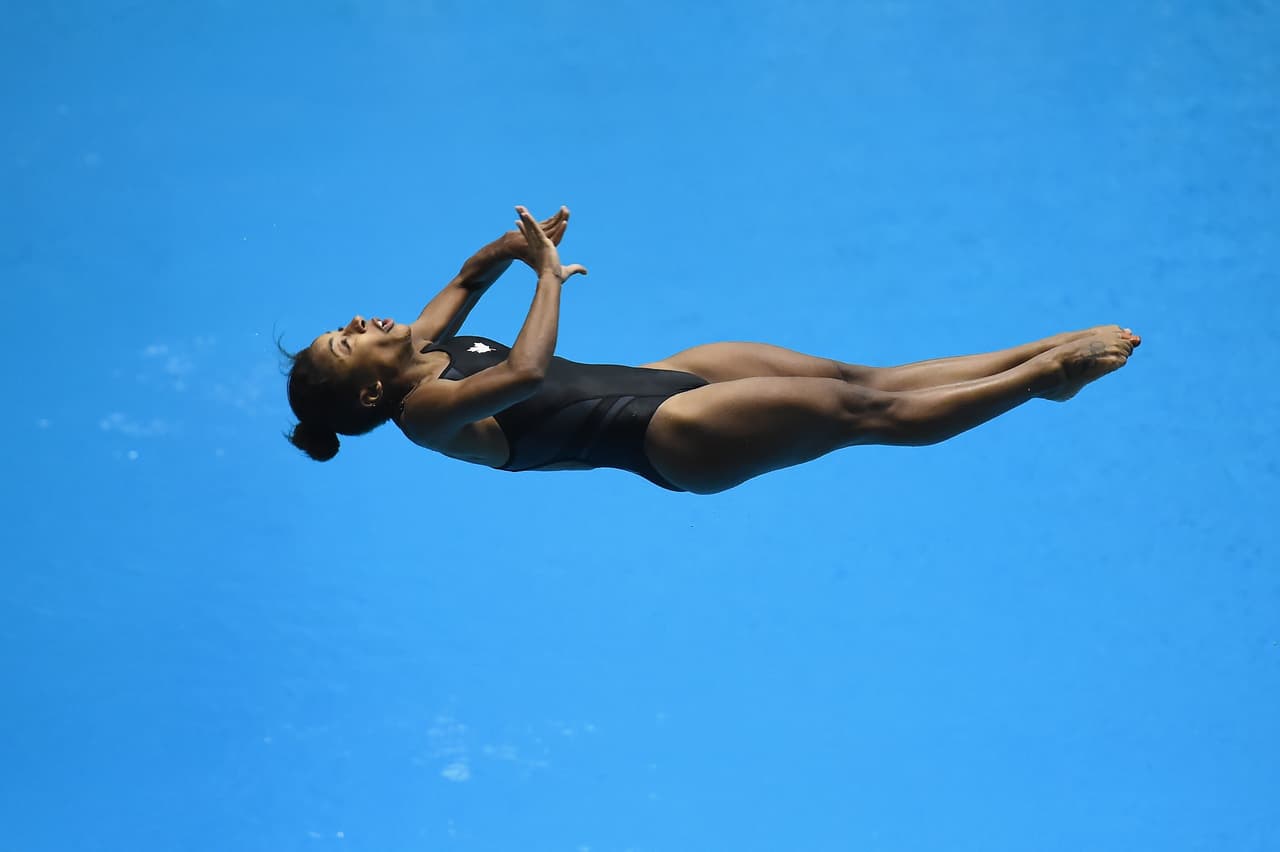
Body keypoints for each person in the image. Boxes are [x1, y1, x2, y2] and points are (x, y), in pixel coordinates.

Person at [283, 206, 1140, 494]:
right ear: (369, 397)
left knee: (861, 376)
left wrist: (510, 248)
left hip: (667, 377)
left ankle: (1044, 347)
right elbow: (526, 373)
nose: (359, 323)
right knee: (868, 414)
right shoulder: (425, 415)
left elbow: (468, 277)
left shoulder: (423, 350)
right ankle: (1042, 381)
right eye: (345, 341)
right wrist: (547, 274)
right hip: (669, 437)